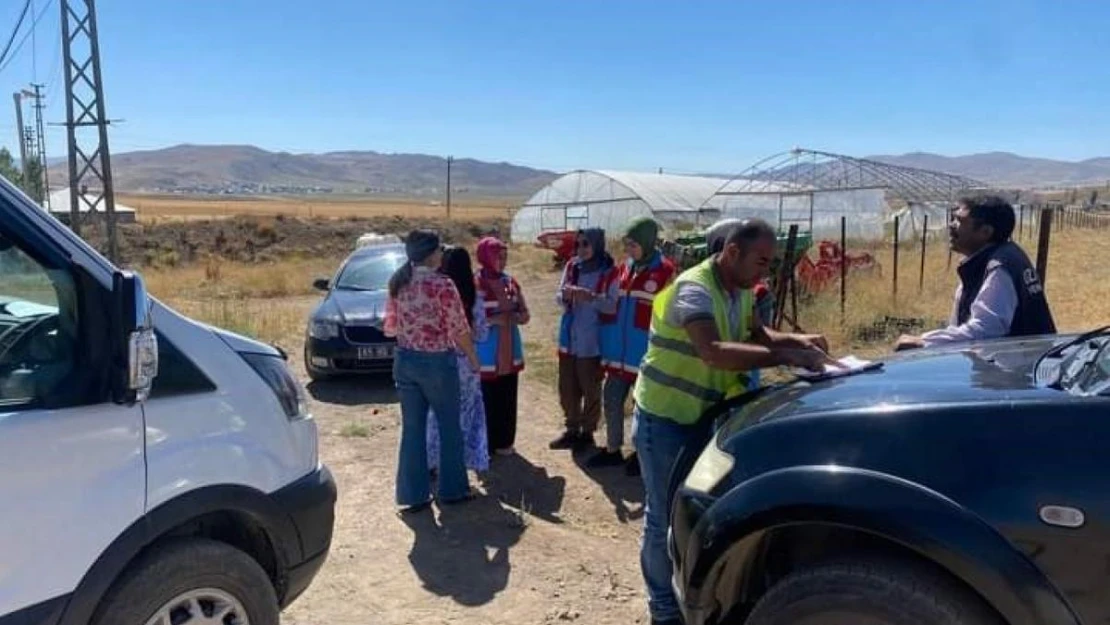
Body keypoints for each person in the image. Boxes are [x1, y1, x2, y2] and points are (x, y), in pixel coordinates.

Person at [631, 218, 838, 625]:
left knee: (692, 513)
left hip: (702, 417)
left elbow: (758, 336)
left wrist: (799, 341)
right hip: (665, 419)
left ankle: (694, 595)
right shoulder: (695, 288)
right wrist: (785, 357)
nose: (767, 271)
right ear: (731, 253)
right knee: (662, 518)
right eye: (761, 261)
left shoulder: (738, 290)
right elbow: (713, 351)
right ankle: (664, 610)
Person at [384, 230, 479, 512]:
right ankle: (452, 490)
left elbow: (390, 326)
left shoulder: (398, 282)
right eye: (439, 251)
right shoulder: (442, 285)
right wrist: (472, 358)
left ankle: (413, 495)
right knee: (449, 426)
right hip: (437, 361)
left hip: (405, 360)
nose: (441, 255)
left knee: (413, 429)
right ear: (430, 254)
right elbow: (459, 328)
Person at [894, 194, 1056, 351]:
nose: (951, 225)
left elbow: (986, 329)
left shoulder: (999, 268)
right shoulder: (996, 258)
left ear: (985, 232)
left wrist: (925, 342)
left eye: (960, 221)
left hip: (1013, 372)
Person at [589, 218, 676, 471]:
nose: (628, 250)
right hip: (618, 355)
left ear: (648, 243)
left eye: (633, 244)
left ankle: (641, 456)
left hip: (646, 357)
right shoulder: (623, 270)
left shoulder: (666, 273)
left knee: (644, 410)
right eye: (626, 244)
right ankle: (613, 449)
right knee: (612, 400)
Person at [550, 228, 619, 452]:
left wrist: (590, 297)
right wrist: (566, 296)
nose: (581, 249)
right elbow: (558, 296)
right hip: (570, 337)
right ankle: (571, 429)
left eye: (586, 244)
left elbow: (612, 304)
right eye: (578, 244)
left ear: (597, 245)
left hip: (593, 339)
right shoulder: (572, 266)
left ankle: (587, 432)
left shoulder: (609, 271)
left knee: (590, 387)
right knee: (567, 387)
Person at [427, 246, 490, 474]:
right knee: (465, 416)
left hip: (439, 362)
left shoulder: (435, 295)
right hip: (466, 364)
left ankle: (432, 462)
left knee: (436, 414)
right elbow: (482, 334)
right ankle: (457, 467)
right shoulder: (476, 299)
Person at [474, 236, 530, 457]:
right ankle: (485, 444)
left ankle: (505, 441)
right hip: (486, 353)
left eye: (505, 257)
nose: (503, 261)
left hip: (510, 351)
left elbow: (525, 314)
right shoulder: (474, 284)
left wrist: (517, 317)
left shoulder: (511, 282)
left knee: (507, 397)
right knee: (486, 400)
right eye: (498, 257)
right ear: (485, 257)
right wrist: (492, 320)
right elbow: (468, 319)